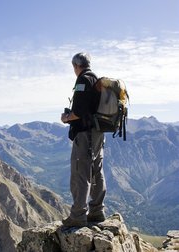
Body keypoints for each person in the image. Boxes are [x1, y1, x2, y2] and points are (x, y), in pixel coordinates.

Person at [61, 52, 106, 227]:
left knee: (81, 172)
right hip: (98, 133)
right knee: (97, 170)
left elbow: (78, 112)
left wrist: (66, 118)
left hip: (84, 134)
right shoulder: (97, 81)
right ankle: (97, 211)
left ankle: (78, 215)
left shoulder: (82, 80)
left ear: (76, 66)